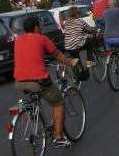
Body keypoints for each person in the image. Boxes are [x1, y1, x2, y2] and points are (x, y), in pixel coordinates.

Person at [14, 16, 78, 148]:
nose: (41, 27)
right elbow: (57, 55)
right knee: (58, 103)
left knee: (37, 96)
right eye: (40, 25)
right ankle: (58, 137)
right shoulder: (42, 38)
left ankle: (39, 121)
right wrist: (70, 62)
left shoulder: (18, 40)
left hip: (20, 81)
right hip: (39, 80)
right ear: (36, 27)